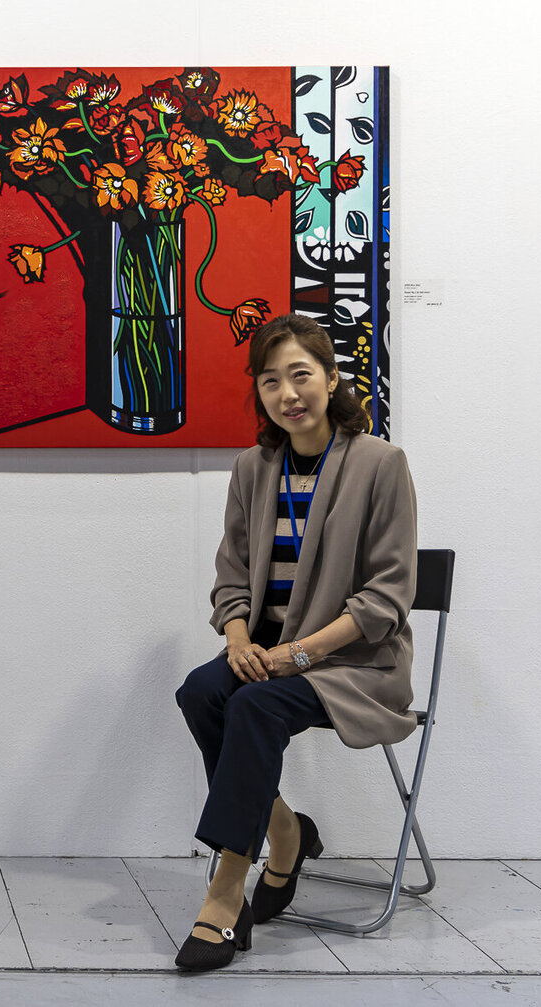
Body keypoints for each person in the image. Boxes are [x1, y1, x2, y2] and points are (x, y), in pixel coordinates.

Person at [173, 313, 417, 971]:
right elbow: (231, 577)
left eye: (301, 375)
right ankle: (285, 830)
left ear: (332, 379)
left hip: (353, 662)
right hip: (268, 650)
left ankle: (226, 893)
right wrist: (238, 642)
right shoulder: (254, 468)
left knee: (253, 707)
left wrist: (299, 653)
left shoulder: (381, 464)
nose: (288, 393)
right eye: (271, 380)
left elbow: (386, 597)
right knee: (202, 692)